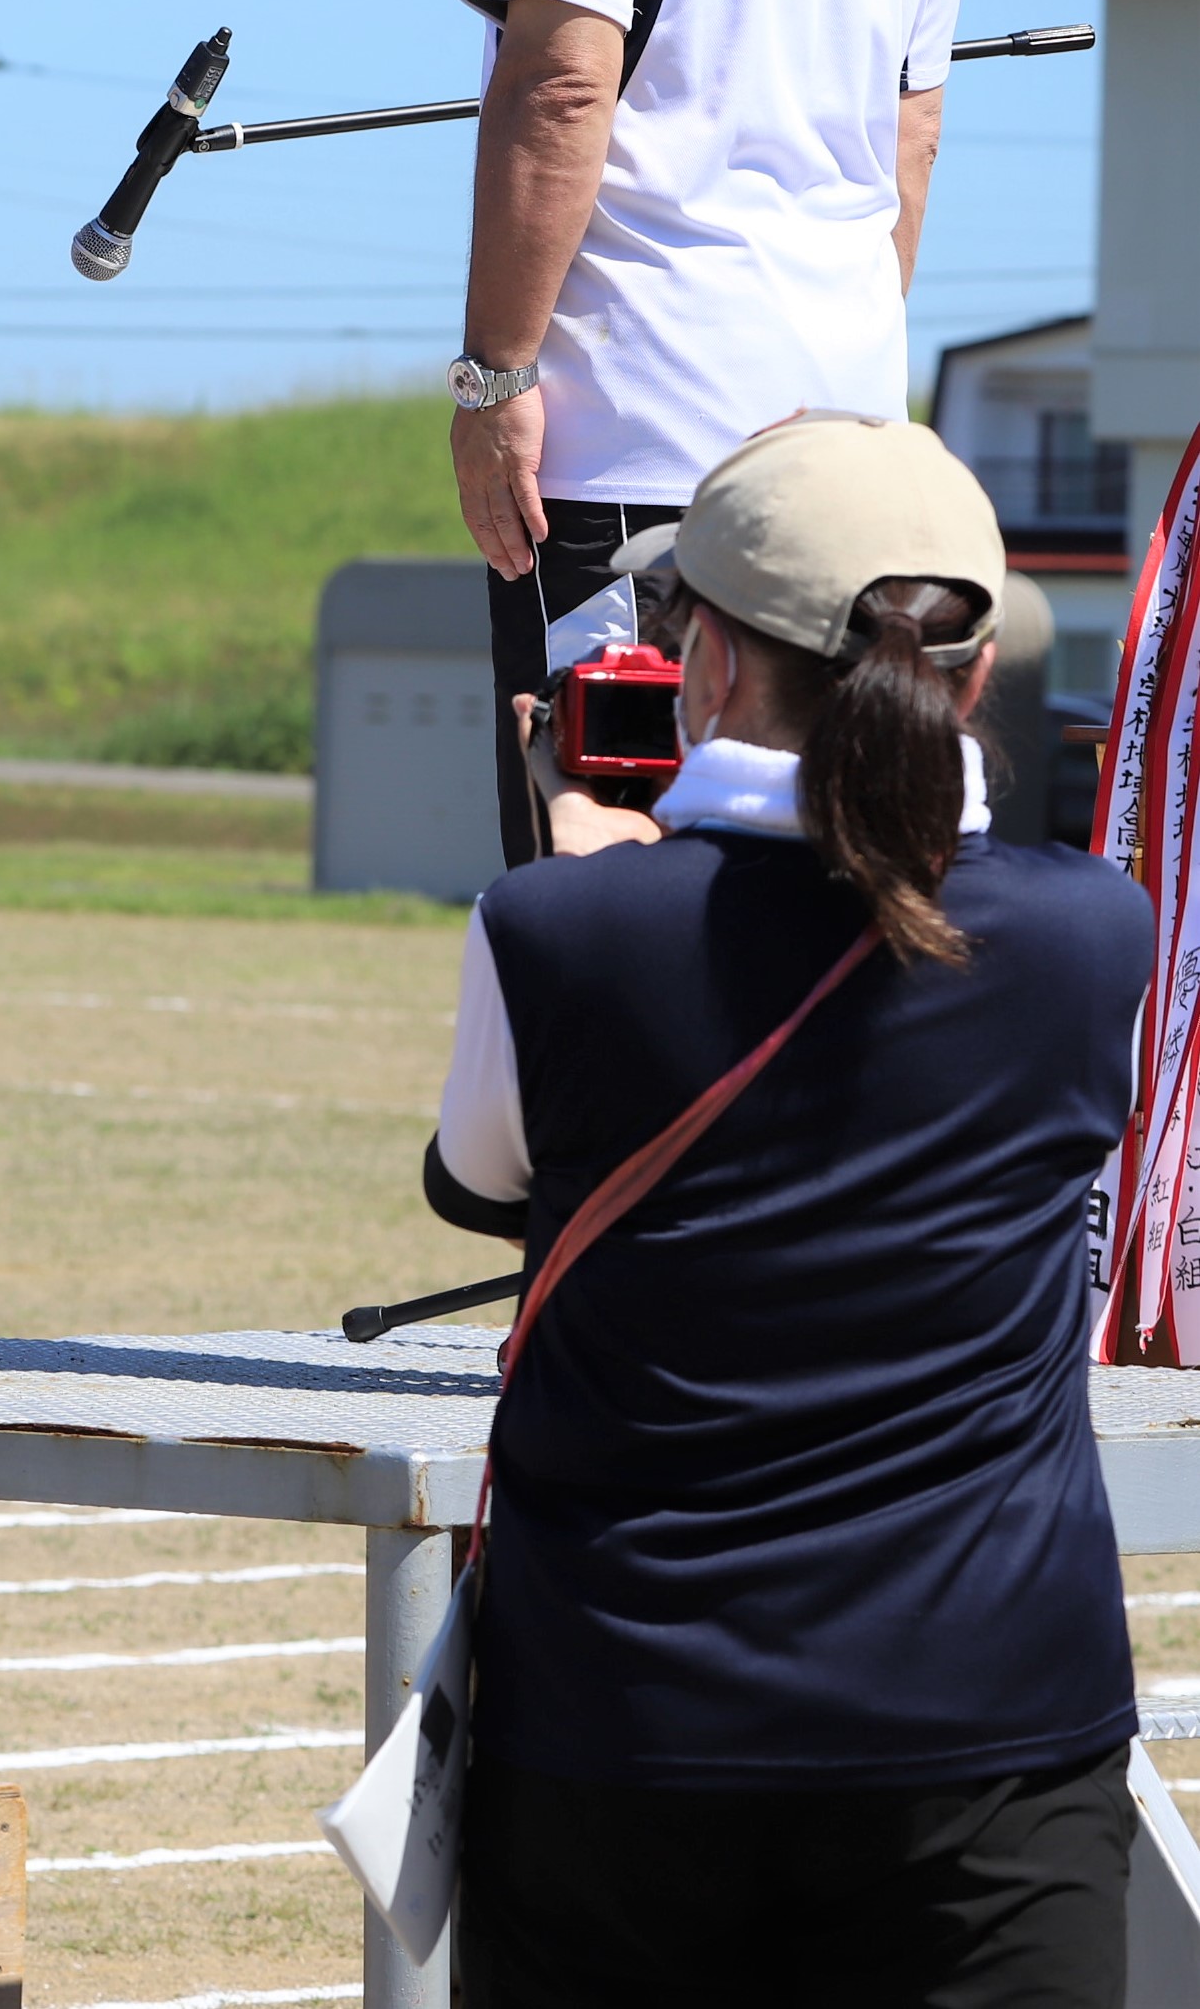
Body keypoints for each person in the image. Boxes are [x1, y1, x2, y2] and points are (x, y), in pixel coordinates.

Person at [429, 414, 1148, 2003]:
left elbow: (478, 1182)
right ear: (965, 674)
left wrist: (596, 865)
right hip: (992, 1723)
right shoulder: (1097, 933)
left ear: (698, 664)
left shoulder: (553, 928)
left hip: (623, 1718)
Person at [448, 0, 971, 864]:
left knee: (607, 886)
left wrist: (494, 376)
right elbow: (909, 139)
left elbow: (560, 86)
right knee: (822, 881)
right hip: (846, 450)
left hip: (632, 437)